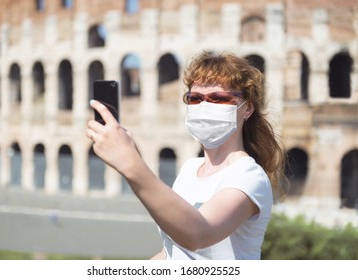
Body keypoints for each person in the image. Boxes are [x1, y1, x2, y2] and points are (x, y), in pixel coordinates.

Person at [86, 50, 287, 260]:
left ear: (247, 109)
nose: (204, 105)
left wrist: (131, 163)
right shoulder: (191, 168)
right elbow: (172, 252)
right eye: (195, 98)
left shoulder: (248, 175)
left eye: (218, 98)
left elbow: (198, 235)